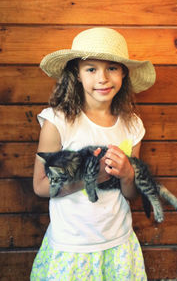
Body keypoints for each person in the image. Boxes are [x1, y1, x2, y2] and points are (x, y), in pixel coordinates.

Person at [30, 27, 156, 280]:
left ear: (123, 73)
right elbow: (41, 186)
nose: (103, 78)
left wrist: (127, 174)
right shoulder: (59, 122)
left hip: (118, 243)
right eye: (91, 69)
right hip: (72, 247)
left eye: (112, 68)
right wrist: (93, 177)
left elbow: (130, 194)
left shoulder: (132, 125)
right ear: (76, 74)